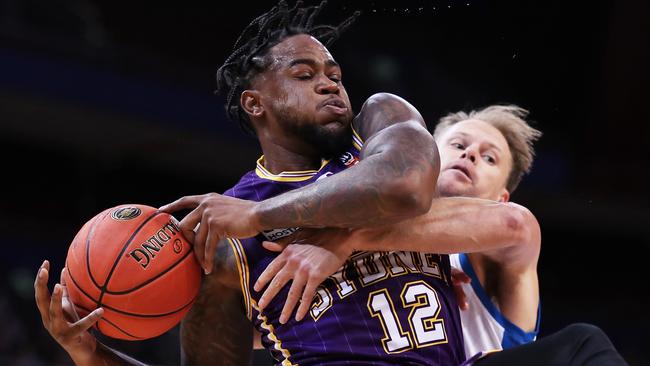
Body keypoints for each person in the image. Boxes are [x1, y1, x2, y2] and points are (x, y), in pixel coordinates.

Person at [253, 105, 627, 365]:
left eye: (489, 157)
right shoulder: (344, 243)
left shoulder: (487, 254)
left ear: (501, 197)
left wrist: (347, 236)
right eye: (459, 145)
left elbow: (517, 226)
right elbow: (267, 326)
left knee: (582, 344)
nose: (471, 156)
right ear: (425, 155)